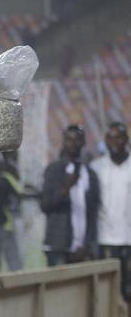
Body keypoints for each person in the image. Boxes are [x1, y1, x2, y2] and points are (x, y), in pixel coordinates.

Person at [42, 125, 100, 266]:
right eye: (69, 140)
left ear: (83, 143)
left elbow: (93, 212)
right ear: (64, 142)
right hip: (58, 246)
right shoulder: (53, 170)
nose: (73, 144)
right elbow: (45, 205)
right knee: (56, 288)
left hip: (83, 249)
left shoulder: (90, 174)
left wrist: (88, 244)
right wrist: (66, 188)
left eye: (77, 140)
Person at [92, 122, 131, 301]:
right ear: (106, 141)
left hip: (129, 238)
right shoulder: (96, 167)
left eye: (119, 137)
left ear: (126, 139)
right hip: (105, 238)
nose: (115, 142)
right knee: (108, 291)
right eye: (111, 138)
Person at [0, 151, 24, 274]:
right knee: (15, 265)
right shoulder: (5, 178)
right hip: (5, 227)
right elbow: (19, 192)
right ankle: (20, 291)